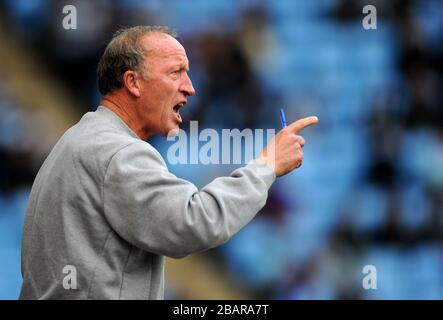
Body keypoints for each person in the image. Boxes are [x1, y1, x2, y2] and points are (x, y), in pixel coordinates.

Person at [19, 26, 318, 299]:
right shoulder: (118, 151)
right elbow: (194, 223)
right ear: (133, 82)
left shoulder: (79, 139)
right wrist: (266, 165)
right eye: (176, 73)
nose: (190, 87)